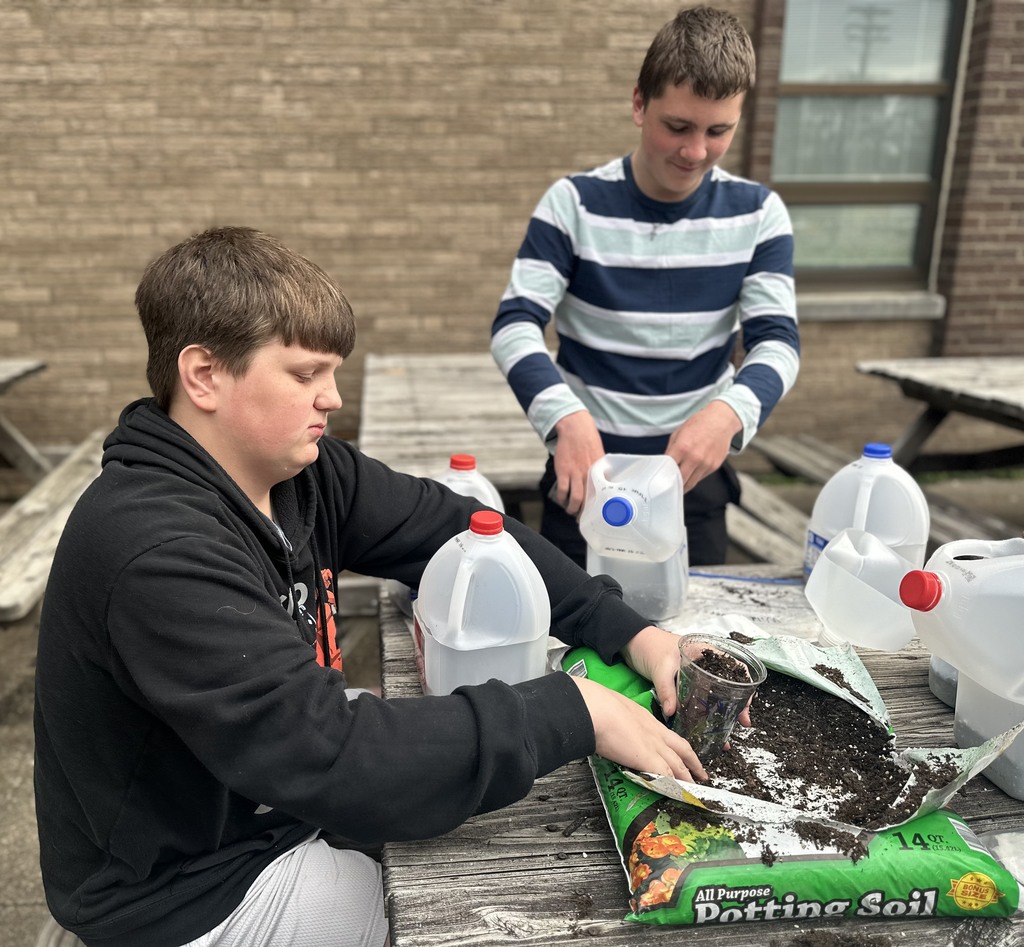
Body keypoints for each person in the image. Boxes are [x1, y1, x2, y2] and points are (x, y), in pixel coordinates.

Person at [33, 226, 710, 947]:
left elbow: (459, 527)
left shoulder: (302, 472)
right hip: (180, 886)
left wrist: (629, 631)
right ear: (203, 375)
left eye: (333, 372)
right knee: (472, 917)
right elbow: (332, 753)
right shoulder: (155, 547)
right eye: (305, 374)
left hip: (265, 797)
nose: (331, 397)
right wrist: (573, 709)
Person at [490, 5, 800, 568]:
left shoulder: (760, 215)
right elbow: (514, 326)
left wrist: (728, 414)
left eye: (718, 131)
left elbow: (777, 342)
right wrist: (566, 418)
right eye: (677, 127)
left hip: (693, 485)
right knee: (573, 626)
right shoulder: (573, 203)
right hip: (586, 475)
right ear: (639, 104)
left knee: (694, 624)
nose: (695, 152)